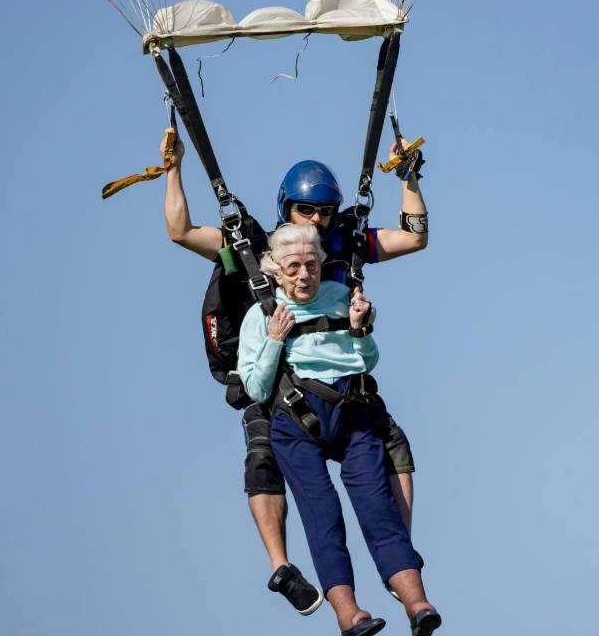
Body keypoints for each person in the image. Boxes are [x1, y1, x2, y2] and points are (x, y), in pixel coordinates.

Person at [161, 129, 430, 613]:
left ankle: (396, 556)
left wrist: (409, 178)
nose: (317, 220)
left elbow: (413, 237)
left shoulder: (343, 246)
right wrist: (174, 169)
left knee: (394, 445)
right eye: (307, 210)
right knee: (263, 458)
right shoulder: (257, 248)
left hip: (339, 380)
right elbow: (181, 232)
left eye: (325, 211)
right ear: (287, 208)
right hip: (274, 380)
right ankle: (281, 567)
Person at [237, 224, 440, 636]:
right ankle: (349, 614)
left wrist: (361, 328)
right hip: (295, 422)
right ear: (276, 269)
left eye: (311, 265)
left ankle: (417, 603)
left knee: (377, 506)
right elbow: (256, 389)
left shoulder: (341, 298)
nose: (303, 275)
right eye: (293, 267)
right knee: (323, 514)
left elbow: (367, 360)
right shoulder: (261, 315)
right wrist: (275, 340)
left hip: (351, 412)